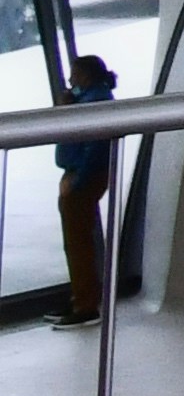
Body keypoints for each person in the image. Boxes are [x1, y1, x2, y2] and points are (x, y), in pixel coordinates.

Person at [48, 59, 118, 331]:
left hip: (81, 176)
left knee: (77, 242)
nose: (70, 80)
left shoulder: (94, 103)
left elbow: (96, 146)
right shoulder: (90, 99)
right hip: (80, 174)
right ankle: (81, 296)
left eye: (75, 74)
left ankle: (85, 304)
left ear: (87, 75)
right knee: (77, 241)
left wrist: (78, 181)